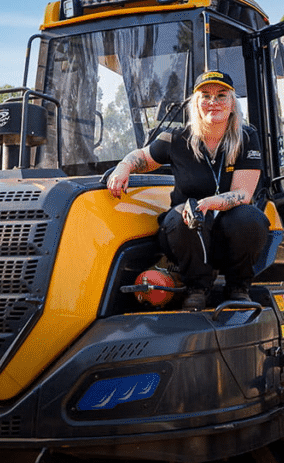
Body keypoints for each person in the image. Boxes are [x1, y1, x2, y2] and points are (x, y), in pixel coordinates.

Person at [106, 70, 269, 311]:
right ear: (196, 104)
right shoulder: (176, 138)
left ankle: (238, 288)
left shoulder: (246, 137)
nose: (213, 102)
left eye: (221, 95)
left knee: (250, 217)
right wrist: (123, 167)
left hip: (227, 235)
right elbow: (142, 156)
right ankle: (196, 289)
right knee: (182, 215)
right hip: (186, 235)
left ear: (232, 103)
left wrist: (207, 203)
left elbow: (243, 194)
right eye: (205, 96)